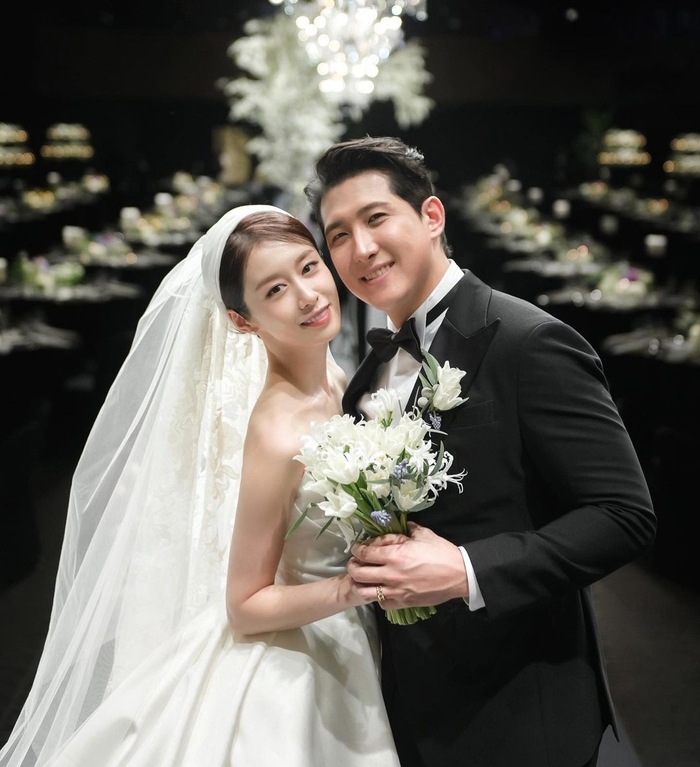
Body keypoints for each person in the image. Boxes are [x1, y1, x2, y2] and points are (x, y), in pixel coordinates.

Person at [0, 204, 400, 767]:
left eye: (309, 267)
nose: (309, 296)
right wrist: (354, 589)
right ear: (243, 321)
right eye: (275, 290)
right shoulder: (277, 432)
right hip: (301, 653)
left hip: (348, 632)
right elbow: (244, 605)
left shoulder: (338, 378)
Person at [305, 136, 657, 767]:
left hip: (518, 710)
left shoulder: (529, 341)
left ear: (432, 216)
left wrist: (467, 570)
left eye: (376, 218)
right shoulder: (366, 377)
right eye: (338, 236)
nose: (361, 248)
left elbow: (623, 514)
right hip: (408, 706)